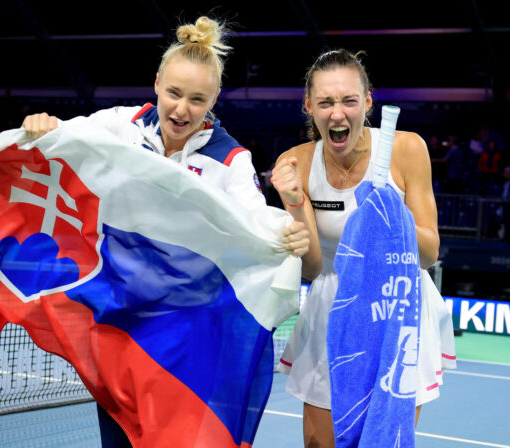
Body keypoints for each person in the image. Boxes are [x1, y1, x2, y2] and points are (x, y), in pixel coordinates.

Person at [22, 16, 310, 447]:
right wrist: (44, 125)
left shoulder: (231, 160)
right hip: (123, 329)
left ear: (214, 99)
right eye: (174, 93)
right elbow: (65, 139)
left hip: (186, 340)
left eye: (197, 99)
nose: (182, 109)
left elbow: (256, 220)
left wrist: (288, 231)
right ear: (156, 83)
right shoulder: (121, 125)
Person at [271, 49, 453, 447]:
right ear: (309, 106)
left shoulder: (408, 150)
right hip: (331, 309)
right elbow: (313, 267)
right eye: (326, 102)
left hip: (396, 308)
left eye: (349, 101)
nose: (338, 113)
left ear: (367, 102)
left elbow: (428, 253)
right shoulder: (296, 164)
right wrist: (296, 203)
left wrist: (390, 216)